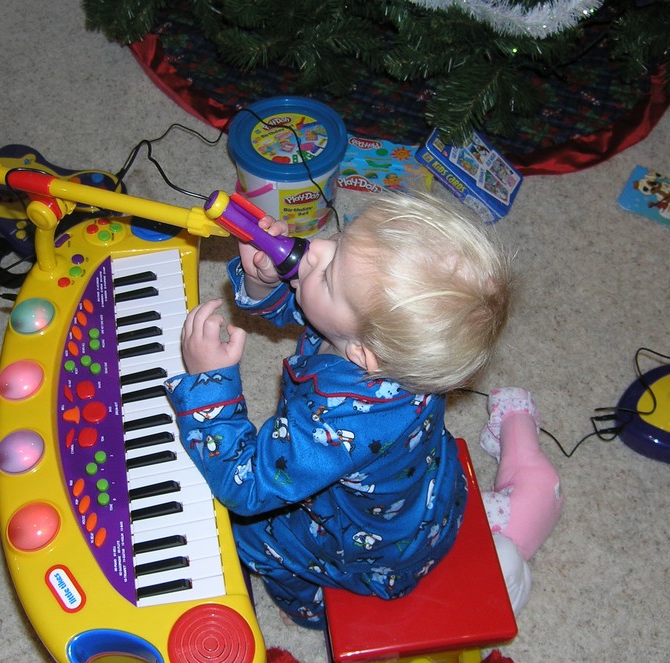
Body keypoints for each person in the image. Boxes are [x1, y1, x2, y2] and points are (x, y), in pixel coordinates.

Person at [164, 190, 511, 628]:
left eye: (328, 276)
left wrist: (209, 386)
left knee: (243, 533)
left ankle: (308, 607)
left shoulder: (341, 420)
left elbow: (246, 484)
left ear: (364, 354)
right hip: (421, 498)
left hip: (371, 550)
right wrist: (264, 282)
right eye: (340, 239)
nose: (315, 249)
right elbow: (314, 312)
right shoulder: (388, 348)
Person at [478, 387, 564, 614]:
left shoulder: (517, 554)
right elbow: (475, 506)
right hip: (534, 479)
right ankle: (513, 403)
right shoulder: (501, 521)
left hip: (546, 498)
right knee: (520, 443)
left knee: (518, 454)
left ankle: (503, 430)